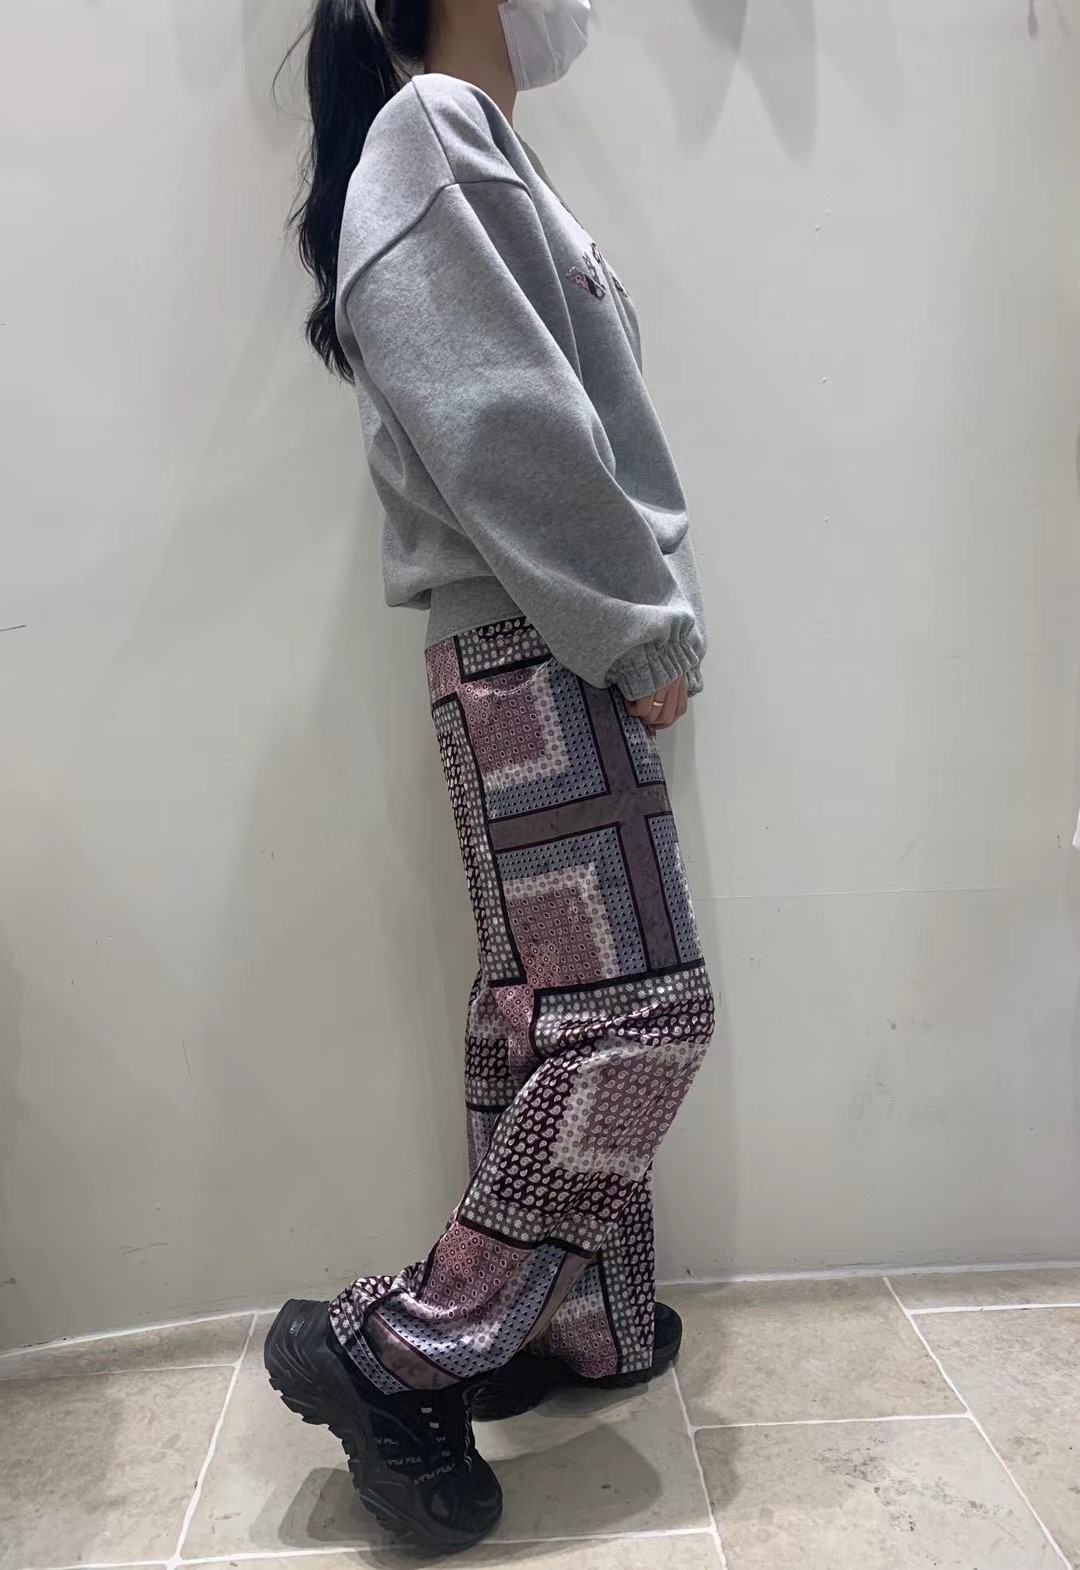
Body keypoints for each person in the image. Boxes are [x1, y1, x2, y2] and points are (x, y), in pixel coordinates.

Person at [265, 0, 714, 1552]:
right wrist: (638, 625)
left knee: (543, 1015)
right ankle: (401, 1347)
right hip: (543, 646)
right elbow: (505, 422)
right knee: (642, 1018)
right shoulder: (436, 132)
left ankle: (571, 1319)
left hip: (522, 648)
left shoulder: (457, 144)